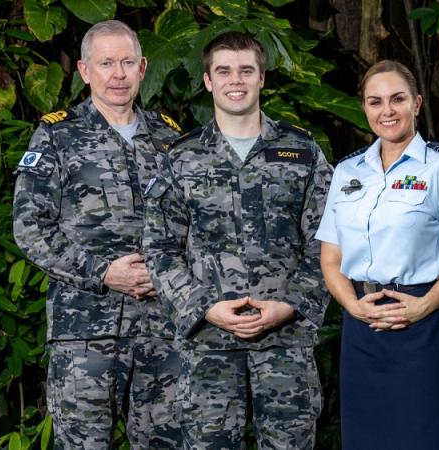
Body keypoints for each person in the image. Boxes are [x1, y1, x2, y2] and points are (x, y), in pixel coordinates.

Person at [142, 31, 332, 449]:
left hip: (286, 340)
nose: (236, 80)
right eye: (224, 71)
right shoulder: (181, 157)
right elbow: (160, 249)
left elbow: (329, 242)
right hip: (207, 343)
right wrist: (203, 307)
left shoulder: (300, 151)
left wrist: (292, 304)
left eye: (246, 70)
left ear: (262, 77)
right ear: (208, 81)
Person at [12, 20, 182, 449]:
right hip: (85, 329)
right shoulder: (57, 134)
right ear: (85, 71)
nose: (118, 74)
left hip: (163, 327)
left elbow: (193, 225)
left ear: (143, 67)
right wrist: (102, 272)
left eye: (127, 62)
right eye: (106, 63)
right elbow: (30, 226)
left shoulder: (170, 137)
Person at [315, 60, 439, 449]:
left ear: (417, 103)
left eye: (397, 99)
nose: (386, 110)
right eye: (375, 101)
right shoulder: (348, 171)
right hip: (363, 327)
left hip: (427, 324)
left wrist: (422, 307)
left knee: (434, 435)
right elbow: (331, 258)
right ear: (365, 108)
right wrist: (352, 307)